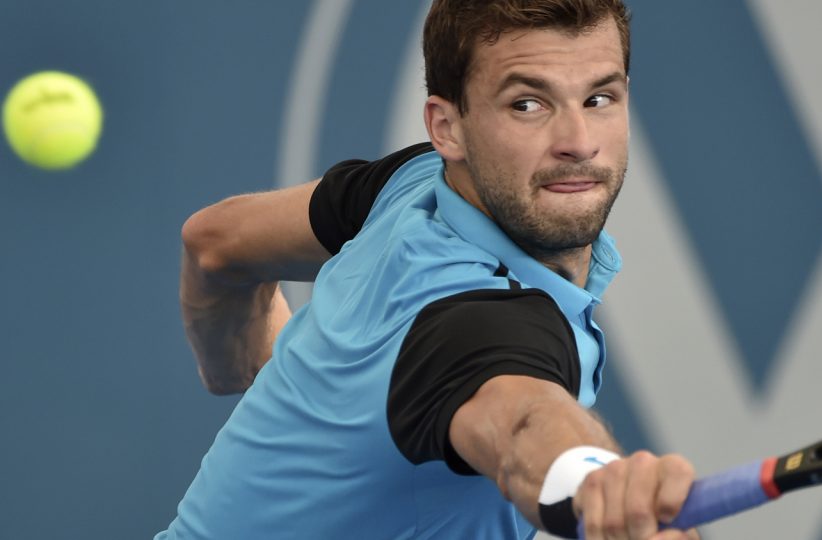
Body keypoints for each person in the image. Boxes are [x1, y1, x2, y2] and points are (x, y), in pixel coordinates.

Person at [158, 1, 699, 539]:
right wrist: (595, 484)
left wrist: (246, 374)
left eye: (599, 98)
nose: (579, 142)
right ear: (447, 127)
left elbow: (214, 243)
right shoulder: (475, 323)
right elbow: (521, 423)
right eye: (528, 105)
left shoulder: (412, 184)